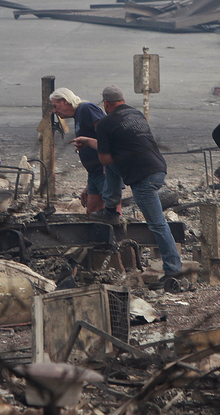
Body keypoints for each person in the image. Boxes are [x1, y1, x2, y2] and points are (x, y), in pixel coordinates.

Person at [72, 85, 184, 284]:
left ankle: (173, 270)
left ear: (106, 104)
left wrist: (96, 148)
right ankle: (111, 210)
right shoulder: (136, 115)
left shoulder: (106, 123)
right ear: (122, 100)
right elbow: (121, 150)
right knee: (115, 167)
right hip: (158, 168)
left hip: (143, 177)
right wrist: (90, 141)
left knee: (158, 224)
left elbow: (105, 160)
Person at [50, 87, 121, 215]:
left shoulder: (85, 108)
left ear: (65, 101)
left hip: (103, 170)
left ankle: (120, 234)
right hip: (94, 173)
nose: (55, 111)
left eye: (56, 106)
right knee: (92, 210)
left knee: (112, 210)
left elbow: (107, 132)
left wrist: (107, 164)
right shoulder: (78, 115)